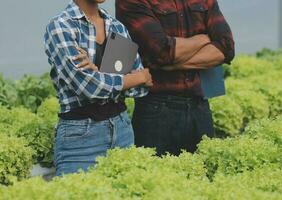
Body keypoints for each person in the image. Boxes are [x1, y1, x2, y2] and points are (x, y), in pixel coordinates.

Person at [44, 0, 152, 176]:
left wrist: (97, 73)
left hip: (122, 130)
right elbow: (90, 89)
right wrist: (135, 77)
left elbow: (139, 89)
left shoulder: (116, 27)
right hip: (81, 140)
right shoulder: (61, 27)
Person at [116, 0, 235, 155]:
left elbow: (226, 47)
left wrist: (172, 63)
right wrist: (203, 39)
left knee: (202, 175)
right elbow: (162, 51)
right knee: (156, 176)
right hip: (156, 111)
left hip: (200, 106)